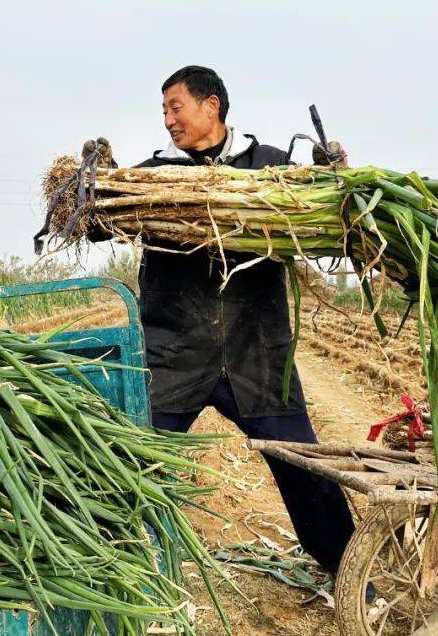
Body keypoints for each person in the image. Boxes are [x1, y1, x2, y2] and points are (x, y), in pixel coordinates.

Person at [87, 65, 355, 573]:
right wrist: (98, 181)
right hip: (173, 352)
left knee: (305, 469)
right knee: (128, 464)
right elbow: (98, 223)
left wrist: (332, 174)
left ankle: (347, 570)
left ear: (211, 105)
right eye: (163, 110)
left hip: (258, 352)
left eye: (175, 107)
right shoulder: (152, 176)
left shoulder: (272, 168)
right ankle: (106, 567)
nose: (167, 120)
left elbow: (335, 211)